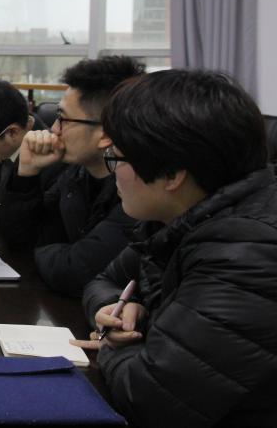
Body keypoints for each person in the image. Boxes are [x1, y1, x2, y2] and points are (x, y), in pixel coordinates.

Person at [70, 70, 277, 427]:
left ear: (171, 175)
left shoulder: (248, 252)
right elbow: (103, 280)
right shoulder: (182, 217)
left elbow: (150, 399)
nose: (113, 171)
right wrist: (114, 309)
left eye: (116, 157)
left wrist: (114, 346)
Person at [0, 56, 145, 296]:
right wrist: (26, 173)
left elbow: (73, 271)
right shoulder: (75, 174)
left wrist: (43, 250)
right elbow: (19, 240)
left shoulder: (138, 187)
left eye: (63, 119)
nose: (53, 129)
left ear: (105, 133)